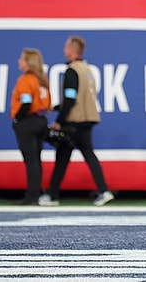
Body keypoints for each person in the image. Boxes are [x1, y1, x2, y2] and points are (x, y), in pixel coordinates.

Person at [39, 36, 114, 207]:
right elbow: (79, 97)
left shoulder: (72, 70)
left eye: (66, 47)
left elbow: (71, 98)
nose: (64, 50)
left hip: (75, 120)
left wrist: (59, 120)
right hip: (89, 117)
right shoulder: (87, 70)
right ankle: (103, 190)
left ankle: (52, 195)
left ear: (72, 50)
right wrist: (57, 107)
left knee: (63, 157)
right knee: (87, 154)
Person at [9, 48, 50, 205]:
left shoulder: (26, 80)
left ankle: (31, 196)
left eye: (22, 59)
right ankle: (36, 193)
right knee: (36, 159)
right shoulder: (42, 81)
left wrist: (18, 119)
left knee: (31, 160)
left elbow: (26, 102)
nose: (19, 61)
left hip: (28, 122)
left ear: (29, 62)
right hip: (41, 120)